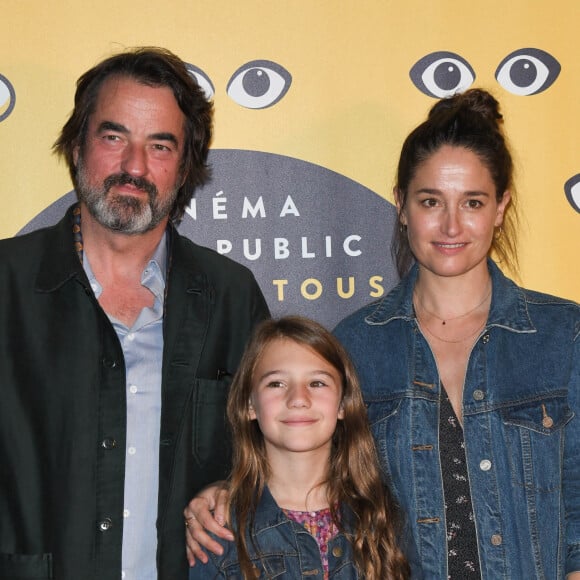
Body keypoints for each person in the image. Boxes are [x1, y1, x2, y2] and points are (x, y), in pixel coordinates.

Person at [184, 89, 579, 579]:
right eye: (431, 200)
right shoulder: (357, 345)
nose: (451, 224)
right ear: (402, 205)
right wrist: (223, 494)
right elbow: (313, 480)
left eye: (473, 202)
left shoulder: (565, 337)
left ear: (501, 207)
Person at [0, 47, 269, 580]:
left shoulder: (231, 296)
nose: (134, 167)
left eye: (160, 145)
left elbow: (286, 451)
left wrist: (234, 486)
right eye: (114, 136)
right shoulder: (6, 284)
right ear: (77, 145)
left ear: (185, 165)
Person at [188, 315, 411, 579]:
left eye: (317, 383)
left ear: (342, 404)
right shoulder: (220, 530)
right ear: (249, 405)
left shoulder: (383, 517)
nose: (298, 399)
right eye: (276, 383)